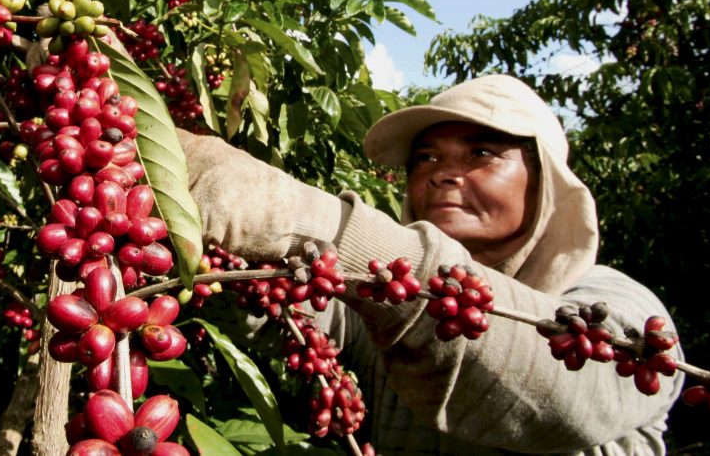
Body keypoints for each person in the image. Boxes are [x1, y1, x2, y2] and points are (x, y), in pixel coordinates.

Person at [176, 74, 683, 455]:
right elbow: (291, 314)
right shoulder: (382, 301)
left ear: (544, 180)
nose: (443, 175)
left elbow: (556, 389)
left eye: (482, 152)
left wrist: (304, 219)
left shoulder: (622, 314)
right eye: (427, 158)